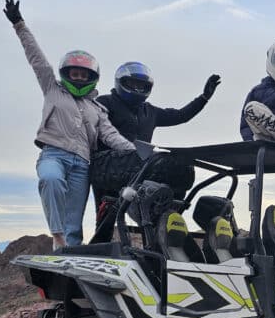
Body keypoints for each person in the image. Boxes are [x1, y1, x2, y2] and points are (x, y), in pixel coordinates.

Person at [3, 0, 135, 249]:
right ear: (66, 74)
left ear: (91, 77)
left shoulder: (97, 109)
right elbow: (37, 59)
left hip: (82, 165)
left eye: (83, 74)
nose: (78, 77)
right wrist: (19, 24)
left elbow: (111, 136)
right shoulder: (53, 89)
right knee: (50, 179)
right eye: (74, 73)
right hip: (53, 153)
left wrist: (137, 152)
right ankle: (57, 236)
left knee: (74, 224)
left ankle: (68, 272)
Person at [89, 63, 221, 241]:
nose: (137, 88)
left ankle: (161, 235)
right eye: (132, 84)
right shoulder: (104, 103)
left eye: (141, 86)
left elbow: (180, 115)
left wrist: (203, 98)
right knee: (107, 216)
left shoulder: (149, 111)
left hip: (140, 168)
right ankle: (99, 249)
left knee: (180, 169)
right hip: (108, 167)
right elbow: (85, 124)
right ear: (121, 82)